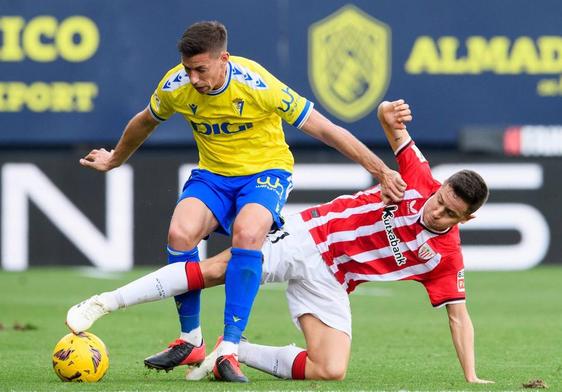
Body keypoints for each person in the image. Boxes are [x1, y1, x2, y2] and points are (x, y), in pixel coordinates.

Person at [68, 99, 493, 384]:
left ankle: (234, 352)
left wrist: (471, 376)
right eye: (440, 199)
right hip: (309, 236)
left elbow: (459, 317)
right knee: (216, 269)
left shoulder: (445, 258)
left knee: (331, 369)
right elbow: (389, 123)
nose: (436, 210)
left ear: (466, 219)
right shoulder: (419, 177)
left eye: (449, 212)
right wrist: (389, 110)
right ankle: (105, 302)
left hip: (332, 281)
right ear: (439, 188)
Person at [77, 21, 406, 382]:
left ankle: (230, 348)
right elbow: (144, 121)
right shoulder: (175, 85)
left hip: (265, 173)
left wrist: (381, 171)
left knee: (248, 234)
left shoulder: (257, 84)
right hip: (214, 175)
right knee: (179, 233)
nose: (194, 79)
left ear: (224, 59)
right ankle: (192, 340)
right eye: (188, 70)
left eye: (201, 69)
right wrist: (115, 159)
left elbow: (327, 130)